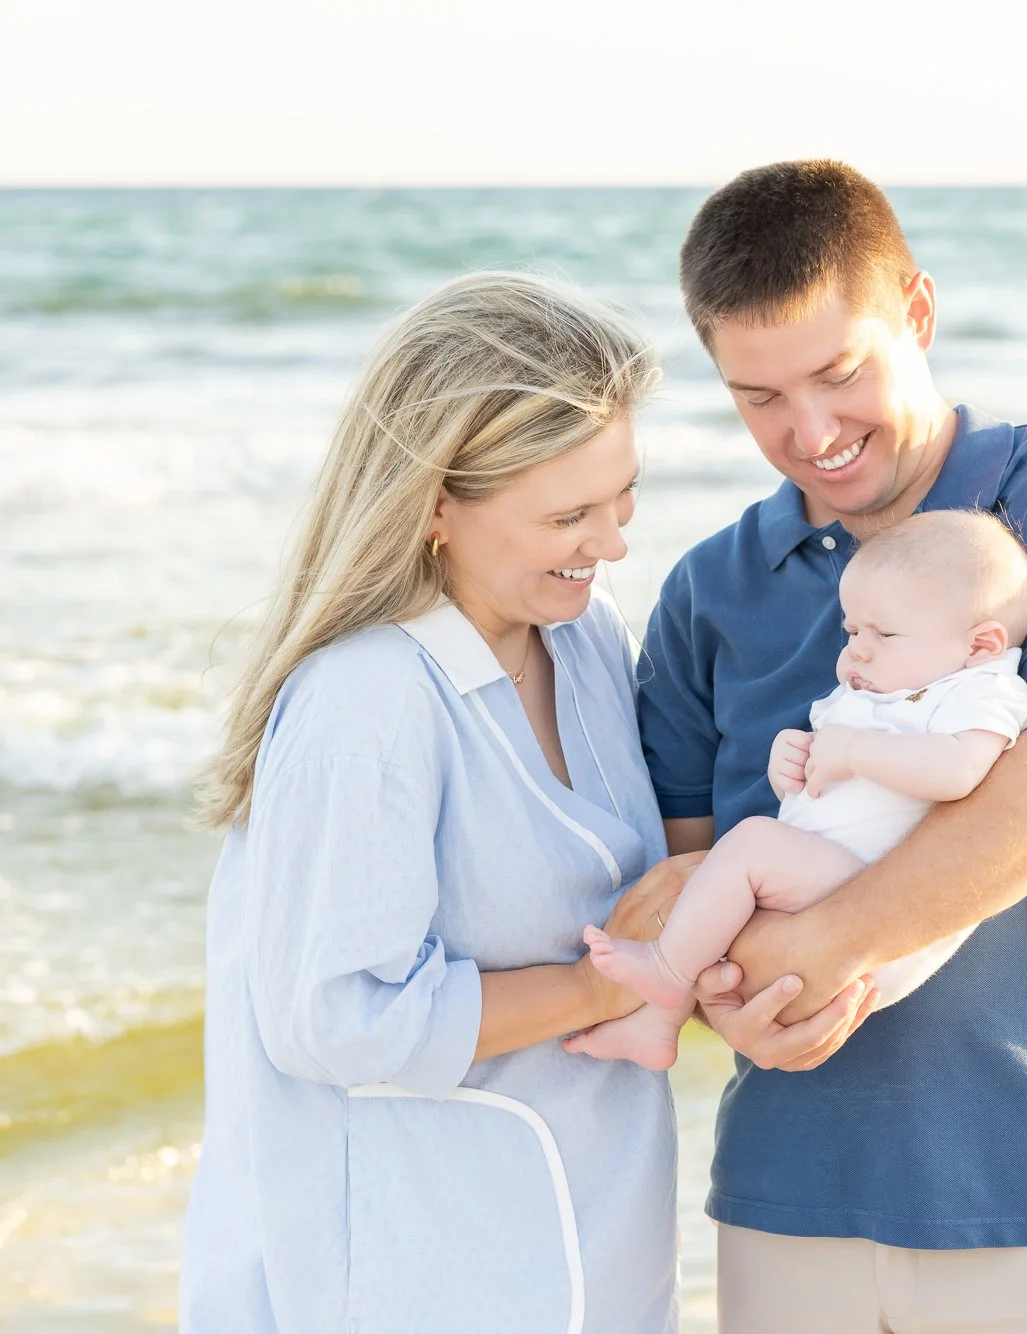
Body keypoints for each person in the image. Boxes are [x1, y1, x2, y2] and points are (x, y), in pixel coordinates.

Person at [638, 161, 1027, 1333]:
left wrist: (820, 949)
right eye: (759, 397)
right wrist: (726, 997)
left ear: (916, 314)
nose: (811, 431)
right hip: (781, 1198)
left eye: (840, 372)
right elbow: (683, 879)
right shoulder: (705, 593)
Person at [180, 272, 703, 1332]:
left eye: (624, 495)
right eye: (568, 513)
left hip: (592, 1241)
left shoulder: (583, 629)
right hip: (411, 1272)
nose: (611, 543)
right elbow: (338, 1017)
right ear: (433, 505)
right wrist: (604, 987)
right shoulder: (367, 702)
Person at [572, 509, 1027, 1069]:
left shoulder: (981, 689)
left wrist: (852, 752)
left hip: (876, 891)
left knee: (748, 847)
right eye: (852, 631)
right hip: (824, 873)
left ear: (981, 644)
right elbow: (820, 782)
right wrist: (789, 761)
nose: (858, 649)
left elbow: (959, 770)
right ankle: (656, 1021)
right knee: (697, 885)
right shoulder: (880, 688)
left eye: (884, 633)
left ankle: (666, 973)